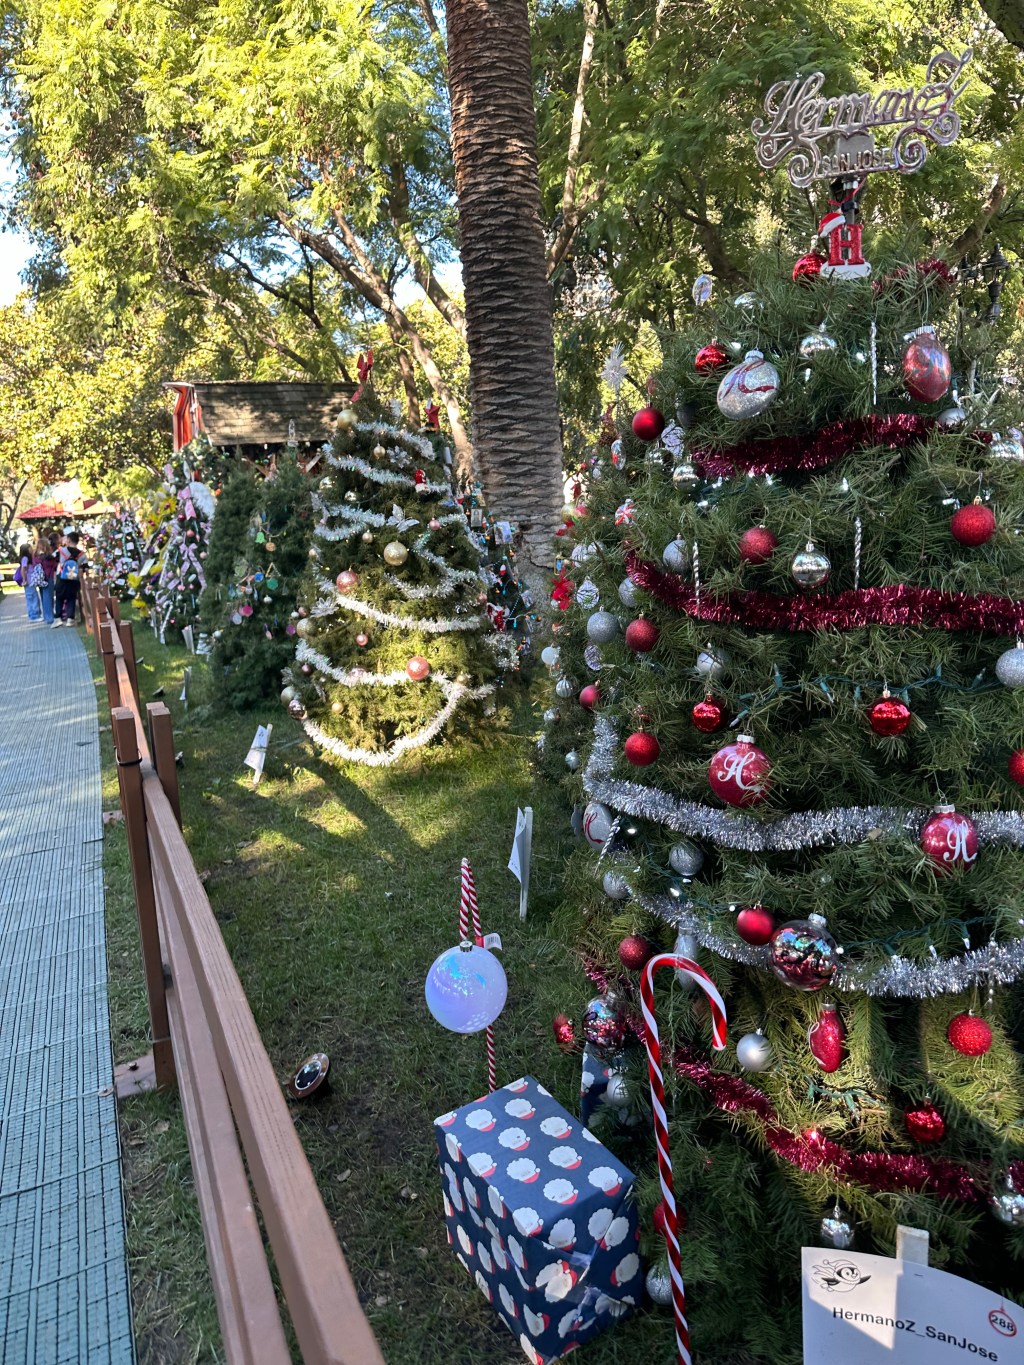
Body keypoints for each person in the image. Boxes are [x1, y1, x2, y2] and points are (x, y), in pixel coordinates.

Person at [54, 530, 84, 627]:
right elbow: (85, 567)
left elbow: (52, 558)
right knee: (71, 598)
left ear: (69, 540)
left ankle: (58, 618)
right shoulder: (82, 554)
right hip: (74, 579)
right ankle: (70, 619)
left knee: (59, 598)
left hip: (61, 578)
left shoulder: (61, 551)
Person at [29, 532, 56, 624]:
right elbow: (52, 565)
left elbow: (35, 565)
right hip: (48, 577)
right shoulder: (49, 557)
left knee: (43, 597)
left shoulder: (35, 556)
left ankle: (46, 616)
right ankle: (50, 617)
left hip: (39, 578)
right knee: (48, 597)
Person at [16, 540, 39, 620]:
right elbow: (23, 569)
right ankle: (34, 616)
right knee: (32, 598)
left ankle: (34, 615)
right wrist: (24, 580)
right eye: (30, 548)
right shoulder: (25, 558)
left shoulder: (29, 558)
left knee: (32, 597)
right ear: (26, 550)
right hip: (29, 581)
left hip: (31, 581)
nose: (32, 549)